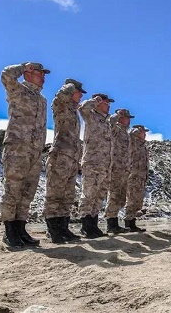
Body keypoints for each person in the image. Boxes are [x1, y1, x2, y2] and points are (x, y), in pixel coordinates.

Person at [0, 62, 50, 247]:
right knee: (13, 190)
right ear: (29, 73)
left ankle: (20, 229)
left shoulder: (42, 100)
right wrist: (22, 67)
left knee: (27, 193)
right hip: (17, 148)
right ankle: (9, 231)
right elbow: (6, 75)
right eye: (39, 73)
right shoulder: (18, 90)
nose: (43, 76)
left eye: (44, 74)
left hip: (35, 152)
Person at [43, 78, 87, 243]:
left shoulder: (74, 112)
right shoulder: (60, 105)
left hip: (72, 158)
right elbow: (60, 95)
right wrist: (70, 85)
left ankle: (63, 228)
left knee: (67, 195)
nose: (81, 96)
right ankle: (53, 230)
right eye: (79, 92)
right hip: (60, 156)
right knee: (55, 193)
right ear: (71, 92)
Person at [77, 93, 115, 238]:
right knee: (89, 194)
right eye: (106, 102)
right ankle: (85, 226)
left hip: (105, 165)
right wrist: (96, 100)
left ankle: (93, 224)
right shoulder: (91, 116)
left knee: (99, 196)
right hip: (92, 163)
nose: (108, 105)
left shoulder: (107, 122)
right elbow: (82, 108)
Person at [105, 108, 135, 234]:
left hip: (124, 170)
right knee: (114, 195)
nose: (129, 120)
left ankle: (115, 223)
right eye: (126, 117)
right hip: (116, 168)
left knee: (121, 198)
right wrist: (117, 115)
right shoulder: (115, 129)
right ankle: (111, 224)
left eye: (129, 118)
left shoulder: (125, 133)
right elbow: (109, 123)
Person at [124, 125, 149, 232]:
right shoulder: (133, 142)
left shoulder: (143, 146)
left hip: (141, 176)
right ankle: (128, 223)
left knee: (137, 201)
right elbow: (131, 134)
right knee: (131, 200)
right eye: (143, 132)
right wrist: (137, 130)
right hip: (133, 176)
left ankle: (133, 222)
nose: (145, 134)